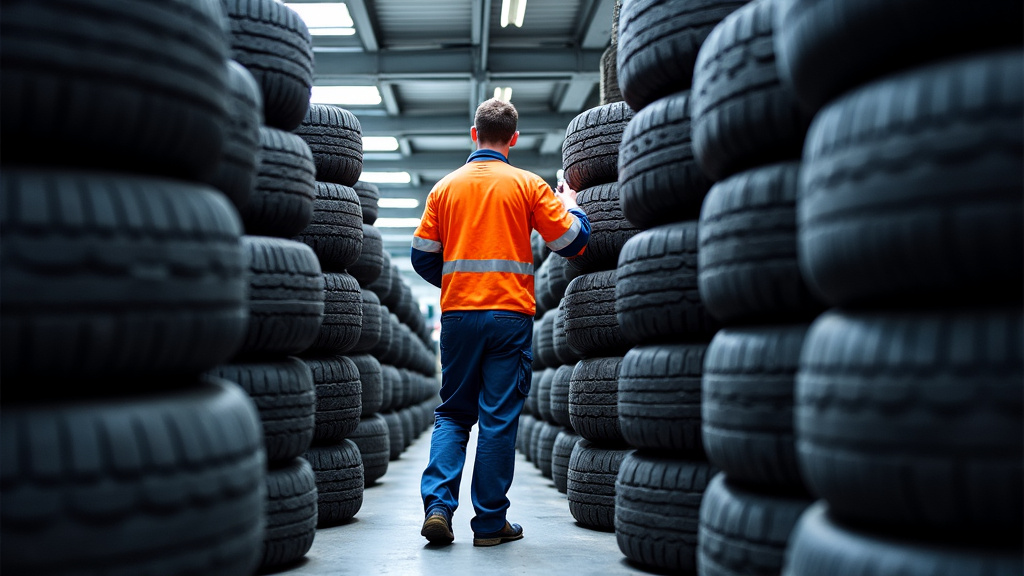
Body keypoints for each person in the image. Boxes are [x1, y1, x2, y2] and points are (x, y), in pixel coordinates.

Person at [411, 98, 590, 547]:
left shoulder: (444, 189)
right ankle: (490, 525)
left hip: (458, 317)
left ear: (474, 134)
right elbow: (572, 243)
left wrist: (457, 282)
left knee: (453, 413)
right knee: (497, 419)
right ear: (514, 138)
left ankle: (438, 509)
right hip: (509, 318)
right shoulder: (527, 185)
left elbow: (421, 257)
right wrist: (572, 205)